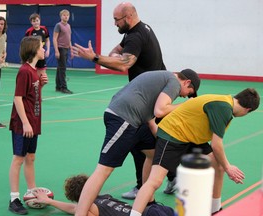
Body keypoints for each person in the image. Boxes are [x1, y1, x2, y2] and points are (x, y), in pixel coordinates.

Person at [72, 1, 175, 199]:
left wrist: (95, 58)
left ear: (127, 18)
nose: (114, 24)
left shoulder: (136, 36)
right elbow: (119, 52)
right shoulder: (138, 29)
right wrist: (113, 55)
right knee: (149, 144)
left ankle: (149, 184)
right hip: (149, 95)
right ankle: (168, 176)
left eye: (116, 20)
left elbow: (124, 64)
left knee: (142, 143)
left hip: (148, 99)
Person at [74, 69, 201, 216]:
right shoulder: (174, 82)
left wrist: (167, 142)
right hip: (123, 118)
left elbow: (152, 122)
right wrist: (187, 106)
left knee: (153, 153)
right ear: (186, 82)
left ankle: (148, 201)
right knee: (103, 170)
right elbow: (160, 111)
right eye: (189, 92)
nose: (184, 96)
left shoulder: (160, 80)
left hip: (135, 122)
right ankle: (81, 214)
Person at [129, 88, 260, 216]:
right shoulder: (223, 108)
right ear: (248, 110)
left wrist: (224, 166)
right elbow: (216, 144)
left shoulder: (226, 101)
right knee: (155, 181)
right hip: (173, 134)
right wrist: (228, 167)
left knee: (217, 165)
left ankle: (215, 210)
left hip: (191, 136)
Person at [8, 36, 48, 215]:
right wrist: (25, 123)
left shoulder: (34, 71)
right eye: (42, 46)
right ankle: (14, 199)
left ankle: (32, 192)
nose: (44, 49)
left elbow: (32, 96)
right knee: (18, 158)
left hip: (34, 121)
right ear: (33, 50)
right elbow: (17, 98)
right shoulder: (24, 71)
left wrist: (41, 85)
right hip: (23, 123)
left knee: (30, 157)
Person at [33, 174, 175, 216]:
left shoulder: (89, 208)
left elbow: (75, 209)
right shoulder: (105, 196)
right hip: (154, 210)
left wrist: (50, 201)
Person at [53, 9, 73, 94]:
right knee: (63, 68)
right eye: (64, 15)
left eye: (67, 15)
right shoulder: (58, 25)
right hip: (61, 48)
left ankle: (58, 86)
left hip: (66, 48)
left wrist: (71, 49)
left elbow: (69, 39)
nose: (66, 17)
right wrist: (56, 50)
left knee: (59, 68)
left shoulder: (68, 26)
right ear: (61, 16)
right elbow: (54, 38)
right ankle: (64, 87)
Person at [25, 13, 50, 78]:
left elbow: (47, 40)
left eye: (37, 20)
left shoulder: (44, 29)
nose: (36, 22)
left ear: (40, 20)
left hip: (41, 55)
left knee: (43, 74)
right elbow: (26, 44)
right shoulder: (29, 31)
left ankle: (39, 87)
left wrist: (48, 50)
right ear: (31, 22)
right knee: (32, 72)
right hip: (33, 55)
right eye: (34, 21)